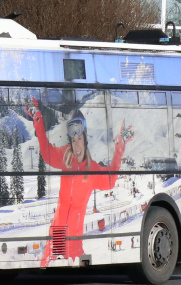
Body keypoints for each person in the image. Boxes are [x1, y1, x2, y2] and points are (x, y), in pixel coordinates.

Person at [25, 98, 131, 265]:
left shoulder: (92, 169)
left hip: (75, 242)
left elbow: (109, 182)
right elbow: (46, 152)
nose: (76, 144)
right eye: (73, 140)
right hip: (56, 236)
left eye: (79, 139)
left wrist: (119, 151)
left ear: (85, 140)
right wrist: (37, 118)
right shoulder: (65, 158)